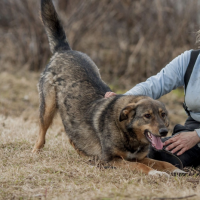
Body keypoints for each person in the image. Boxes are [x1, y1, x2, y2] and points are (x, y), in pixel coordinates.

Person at [105, 46, 200, 168]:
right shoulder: (191, 59)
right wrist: (122, 99)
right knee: (157, 153)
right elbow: (154, 84)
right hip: (194, 126)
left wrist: (197, 136)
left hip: (196, 134)